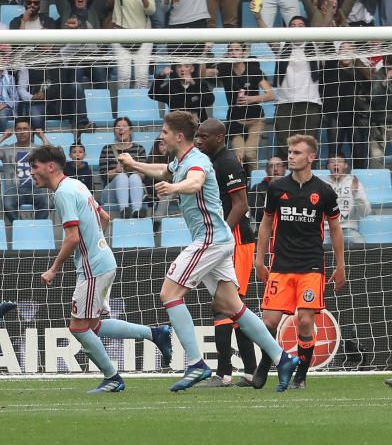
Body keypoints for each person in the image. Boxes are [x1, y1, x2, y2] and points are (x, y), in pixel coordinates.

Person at [118, 110, 299, 392]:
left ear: (179, 136)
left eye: (165, 133)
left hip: (210, 238)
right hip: (218, 239)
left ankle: (195, 364)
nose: (161, 137)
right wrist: (133, 163)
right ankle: (282, 357)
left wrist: (175, 187)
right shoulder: (182, 160)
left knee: (169, 293)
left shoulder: (199, 161)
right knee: (232, 306)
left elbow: (195, 182)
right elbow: (165, 170)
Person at [30, 145, 173, 393]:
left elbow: (72, 237)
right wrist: (97, 245)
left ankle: (113, 377)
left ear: (50, 166)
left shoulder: (63, 193)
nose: (32, 172)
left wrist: (53, 269)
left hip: (94, 267)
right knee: (92, 325)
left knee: (78, 327)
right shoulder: (77, 185)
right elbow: (104, 217)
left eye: (34, 167)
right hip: (103, 260)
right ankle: (155, 333)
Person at [254, 134, 346, 390]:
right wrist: (259, 260)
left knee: (305, 321)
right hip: (281, 264)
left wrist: (341, 266)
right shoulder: (277, 188)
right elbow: (266, 224)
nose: (290, 156)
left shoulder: (324, 191)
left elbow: (336, 230)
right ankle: (264, 365)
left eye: (296, 153)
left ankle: (301, 376)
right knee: (268, 322)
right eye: (290, 152)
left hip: (311, 266)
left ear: (311, 157)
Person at [194, 119, 259, 388]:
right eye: (196, 136)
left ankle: (224, 373)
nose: (199, 140)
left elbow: (241, 205)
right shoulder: (210, 161)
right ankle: (252, 371)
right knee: (233, 307)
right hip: (225, 240)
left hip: (237, 241)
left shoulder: (229, 163)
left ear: (219, 138)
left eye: (204, 136)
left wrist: (221, 235)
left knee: (227, 305)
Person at [206, 42, 275, 170]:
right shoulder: (225, 69)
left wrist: (251, 99)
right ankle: (240, 186)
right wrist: (205, 51)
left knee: (250, 153)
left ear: (243, 52)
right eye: (231, 50)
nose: (234, 52)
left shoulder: (253, 69)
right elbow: (203, 73)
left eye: (237, 49)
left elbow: (271, 95)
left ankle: (254, 188)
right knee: (239, 154)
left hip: (256, 119)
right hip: (235, 120)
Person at [271, 16, 323, 158]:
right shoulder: (282, 46)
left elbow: (324, 25)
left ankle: (308, 178)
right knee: (285, 147)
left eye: (300, 25)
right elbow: (267, 37)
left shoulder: (315, 45)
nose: (296, 28)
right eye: (293, 25)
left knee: (308, 147)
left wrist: (330, 6)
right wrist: (257, 16)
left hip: (310, 104)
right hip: (284, 104)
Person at [0, 118, 52, 223]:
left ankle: (36, 227)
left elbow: (53, 156)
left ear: (30, 130)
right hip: (14, 189)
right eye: (19, 129)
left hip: (36, 188)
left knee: (48, 202)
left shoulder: (38, 150)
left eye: (25, 129)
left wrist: (42, 137)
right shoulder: (7, 149)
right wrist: (3, 137)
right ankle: (20, 226)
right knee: (7, 204)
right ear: (15, 131)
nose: (22, 132)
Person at [99, 117, 147, 218]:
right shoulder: (106, 149)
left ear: (130, 130)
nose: (121, 129)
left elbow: (143, 175)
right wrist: (116, 170)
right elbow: (103, 175)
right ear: (114, 131)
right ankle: (124, 210)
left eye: (124, 126)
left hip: (135, 192)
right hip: (111, 193)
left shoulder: (139, 149)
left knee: (134, 177)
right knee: (121, 177)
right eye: (118, 127)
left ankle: (136, 211)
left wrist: (132, 166)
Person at [321, 152, 371, 245]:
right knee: (318, 246)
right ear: (327, 166)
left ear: (345, 165)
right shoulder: (321, 184)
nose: (336, 164)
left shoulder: (354, 183)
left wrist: (356, 194)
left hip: (348, 229)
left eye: (339, 161)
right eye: (332, 162)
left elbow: (365, 213)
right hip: (327, 229)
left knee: (360, 245)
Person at [111, 0, 155, 90]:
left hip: (144, 34)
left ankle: (140, 103)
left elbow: (151, 11)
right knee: (124, 76)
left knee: (142, 77)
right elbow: (108, 3)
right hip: (120, 32)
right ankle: (124, 103)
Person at [150, 63, 215, 122]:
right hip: (177, 126)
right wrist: (161, 76)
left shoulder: (200, 84)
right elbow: (153, 94)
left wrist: (194, 84)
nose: (182, 69)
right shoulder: (171, 86)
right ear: (175, 69)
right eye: (179, 66)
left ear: (192, 69)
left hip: (198, 126)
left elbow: (210, 101)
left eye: (186, 66)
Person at [249, 156, 286, 229]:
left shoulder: (292, 187)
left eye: (278, 165)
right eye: (271, 166)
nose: (275, 169)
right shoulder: (257, 189)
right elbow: (257, 213)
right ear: (266, 170)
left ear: (284, 169)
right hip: (266, 228)